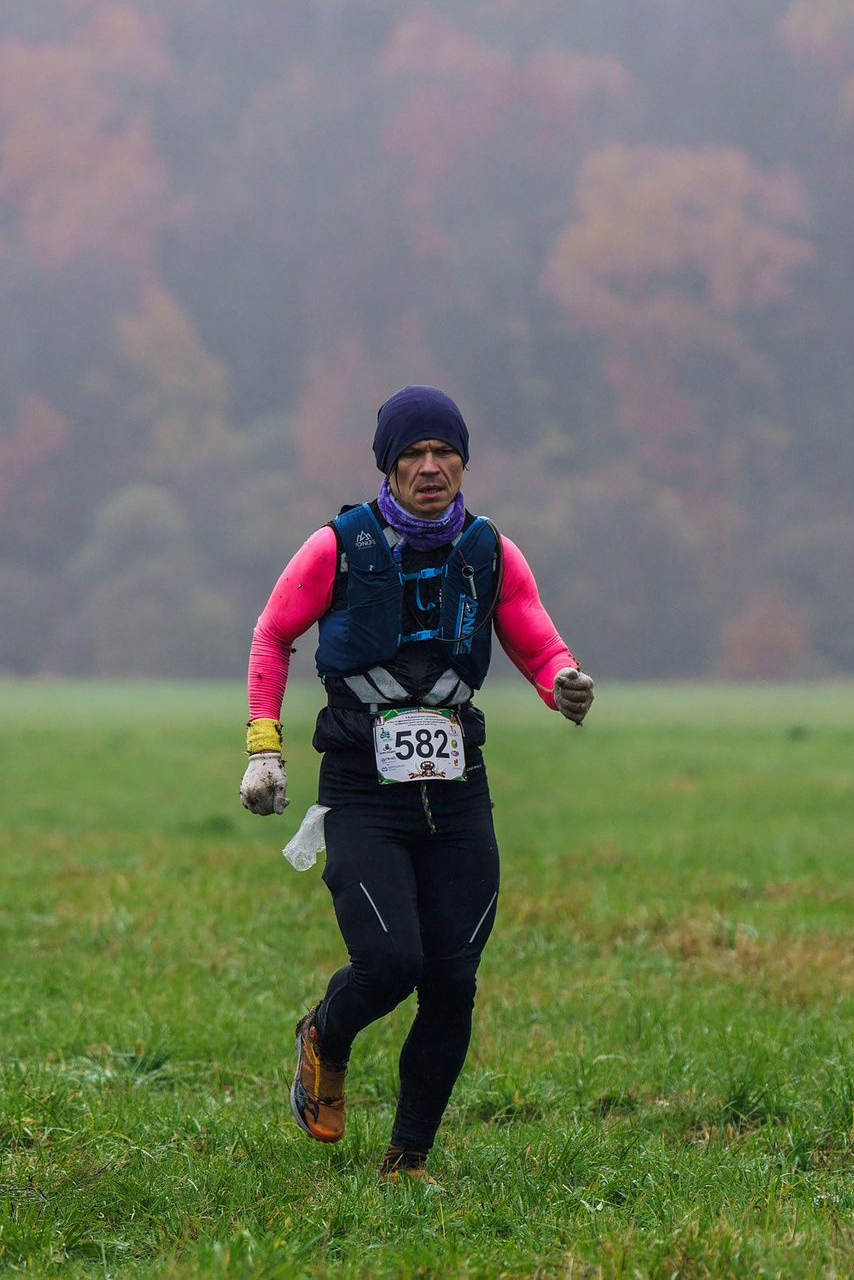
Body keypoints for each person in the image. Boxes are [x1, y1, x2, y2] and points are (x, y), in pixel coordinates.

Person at [241, 385, 593, 1182]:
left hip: (459, 789)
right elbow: (272, 633)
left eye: (444, 453)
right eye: (413, 455)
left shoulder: (492, 551)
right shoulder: (337, 546)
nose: (430, 467)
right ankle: (325, 1033)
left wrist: (562, 680)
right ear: (388, 467)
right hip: (363, 790)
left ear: (464, 461)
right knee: (391, 961)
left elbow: (537, 639)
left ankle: (409, 1157)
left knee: (453, 979)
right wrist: (266, 748)